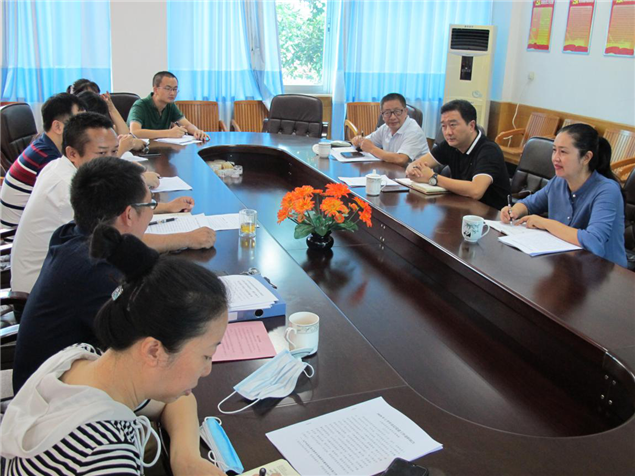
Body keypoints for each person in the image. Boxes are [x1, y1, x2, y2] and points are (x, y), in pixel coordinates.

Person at [3, 220, 229, 475]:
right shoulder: (104, 453)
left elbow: (178, 400)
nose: (207, 369)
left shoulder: (82, 360)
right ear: (153, 351)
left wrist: (185, 458)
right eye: (206, 355)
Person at [10, 112, 215, 294]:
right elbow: (119, 242)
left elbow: (114, 217)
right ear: (73, 153)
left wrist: (164, 207)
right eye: (102, 153)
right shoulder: (67, 189)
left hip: (61, 274)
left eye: (115, 151)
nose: (112, 161)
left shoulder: (61, 167)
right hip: (41, 287)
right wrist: (188, 238)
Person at [501, 123, 627, 267]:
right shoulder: (559, 181)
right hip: (568, 263)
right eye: (554, 150)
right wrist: (514, 211)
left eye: (563, 152)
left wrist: (546, 223)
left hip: (605, 271)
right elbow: (530, 203)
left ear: (586, 157)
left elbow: (593, 241)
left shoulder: (607, 190)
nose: (555, 158)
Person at [406, 99, 510, 210]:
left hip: (491, 215)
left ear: (471, 126)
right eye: (444, 126)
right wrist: (412, 170)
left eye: (453, 125)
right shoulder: (450, 144)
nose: (448, 132)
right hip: (461, 207)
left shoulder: (489, 150)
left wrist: (433, 177)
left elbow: (476, 191)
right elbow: (416, 164)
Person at [0, 93, 85, 228]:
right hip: (12, 233)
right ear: (57, 127)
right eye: (79, 122)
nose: (85, 129)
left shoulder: (44, 145)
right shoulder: (47, 159)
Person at [128, 71, 210, 141]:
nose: (172, 93)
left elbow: (187, 125)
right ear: (156, 89)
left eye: (175, 89)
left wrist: (196, 131)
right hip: (140, 150)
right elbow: (135, 132)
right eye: (168, 88)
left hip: (161, 149)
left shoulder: (170, 105)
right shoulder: (140, 105)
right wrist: (168, 133)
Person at [351, 93, 428, 166]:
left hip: (415, 173)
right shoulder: (385, 128)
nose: (393, 117)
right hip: (393, 171)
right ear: (382, 115)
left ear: (405, 112)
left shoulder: (414, 131)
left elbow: (401, 159)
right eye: (387, 113)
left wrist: (372, 149)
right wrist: (358, 141)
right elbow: (367, 142)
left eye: (397, 111)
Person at [77, 90, 146, 154]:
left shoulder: (98, 127)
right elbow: (103, 161)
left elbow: (125, 134)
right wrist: (122, 148)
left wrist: (111, 107)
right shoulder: (79, 136)